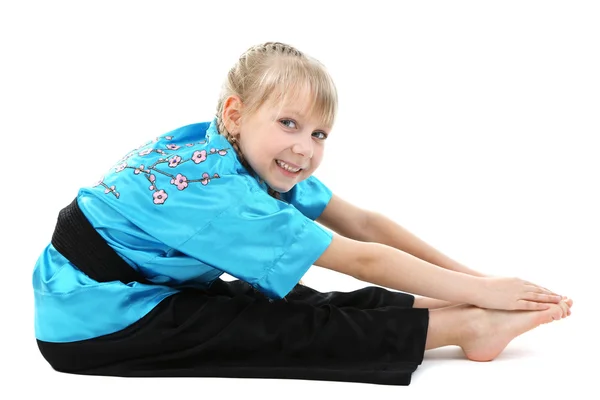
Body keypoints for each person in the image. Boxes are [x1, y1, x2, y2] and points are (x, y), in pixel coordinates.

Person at [32, 41, 572, 386]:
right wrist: (483, 297)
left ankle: (446, 305)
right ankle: (466, 325)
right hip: (92, 319)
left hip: (139, 287)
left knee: (291, 295)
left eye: (319, 133)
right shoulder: (214, 192)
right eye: (289, 124)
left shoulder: (230, 149)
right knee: (275, 327)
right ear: (236, 114)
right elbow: (363, 259)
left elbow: (364, 224)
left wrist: (473, 280)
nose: (306, 148)